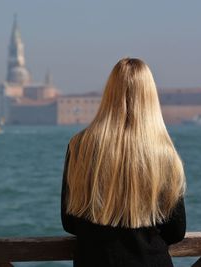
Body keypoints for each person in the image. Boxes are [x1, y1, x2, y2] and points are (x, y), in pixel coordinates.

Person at [61, 58, 186, 267]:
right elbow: (175, 231)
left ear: (109, 93)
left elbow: (70, 222)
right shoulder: (165, 153)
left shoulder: (79, 146)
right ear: (150, 97)